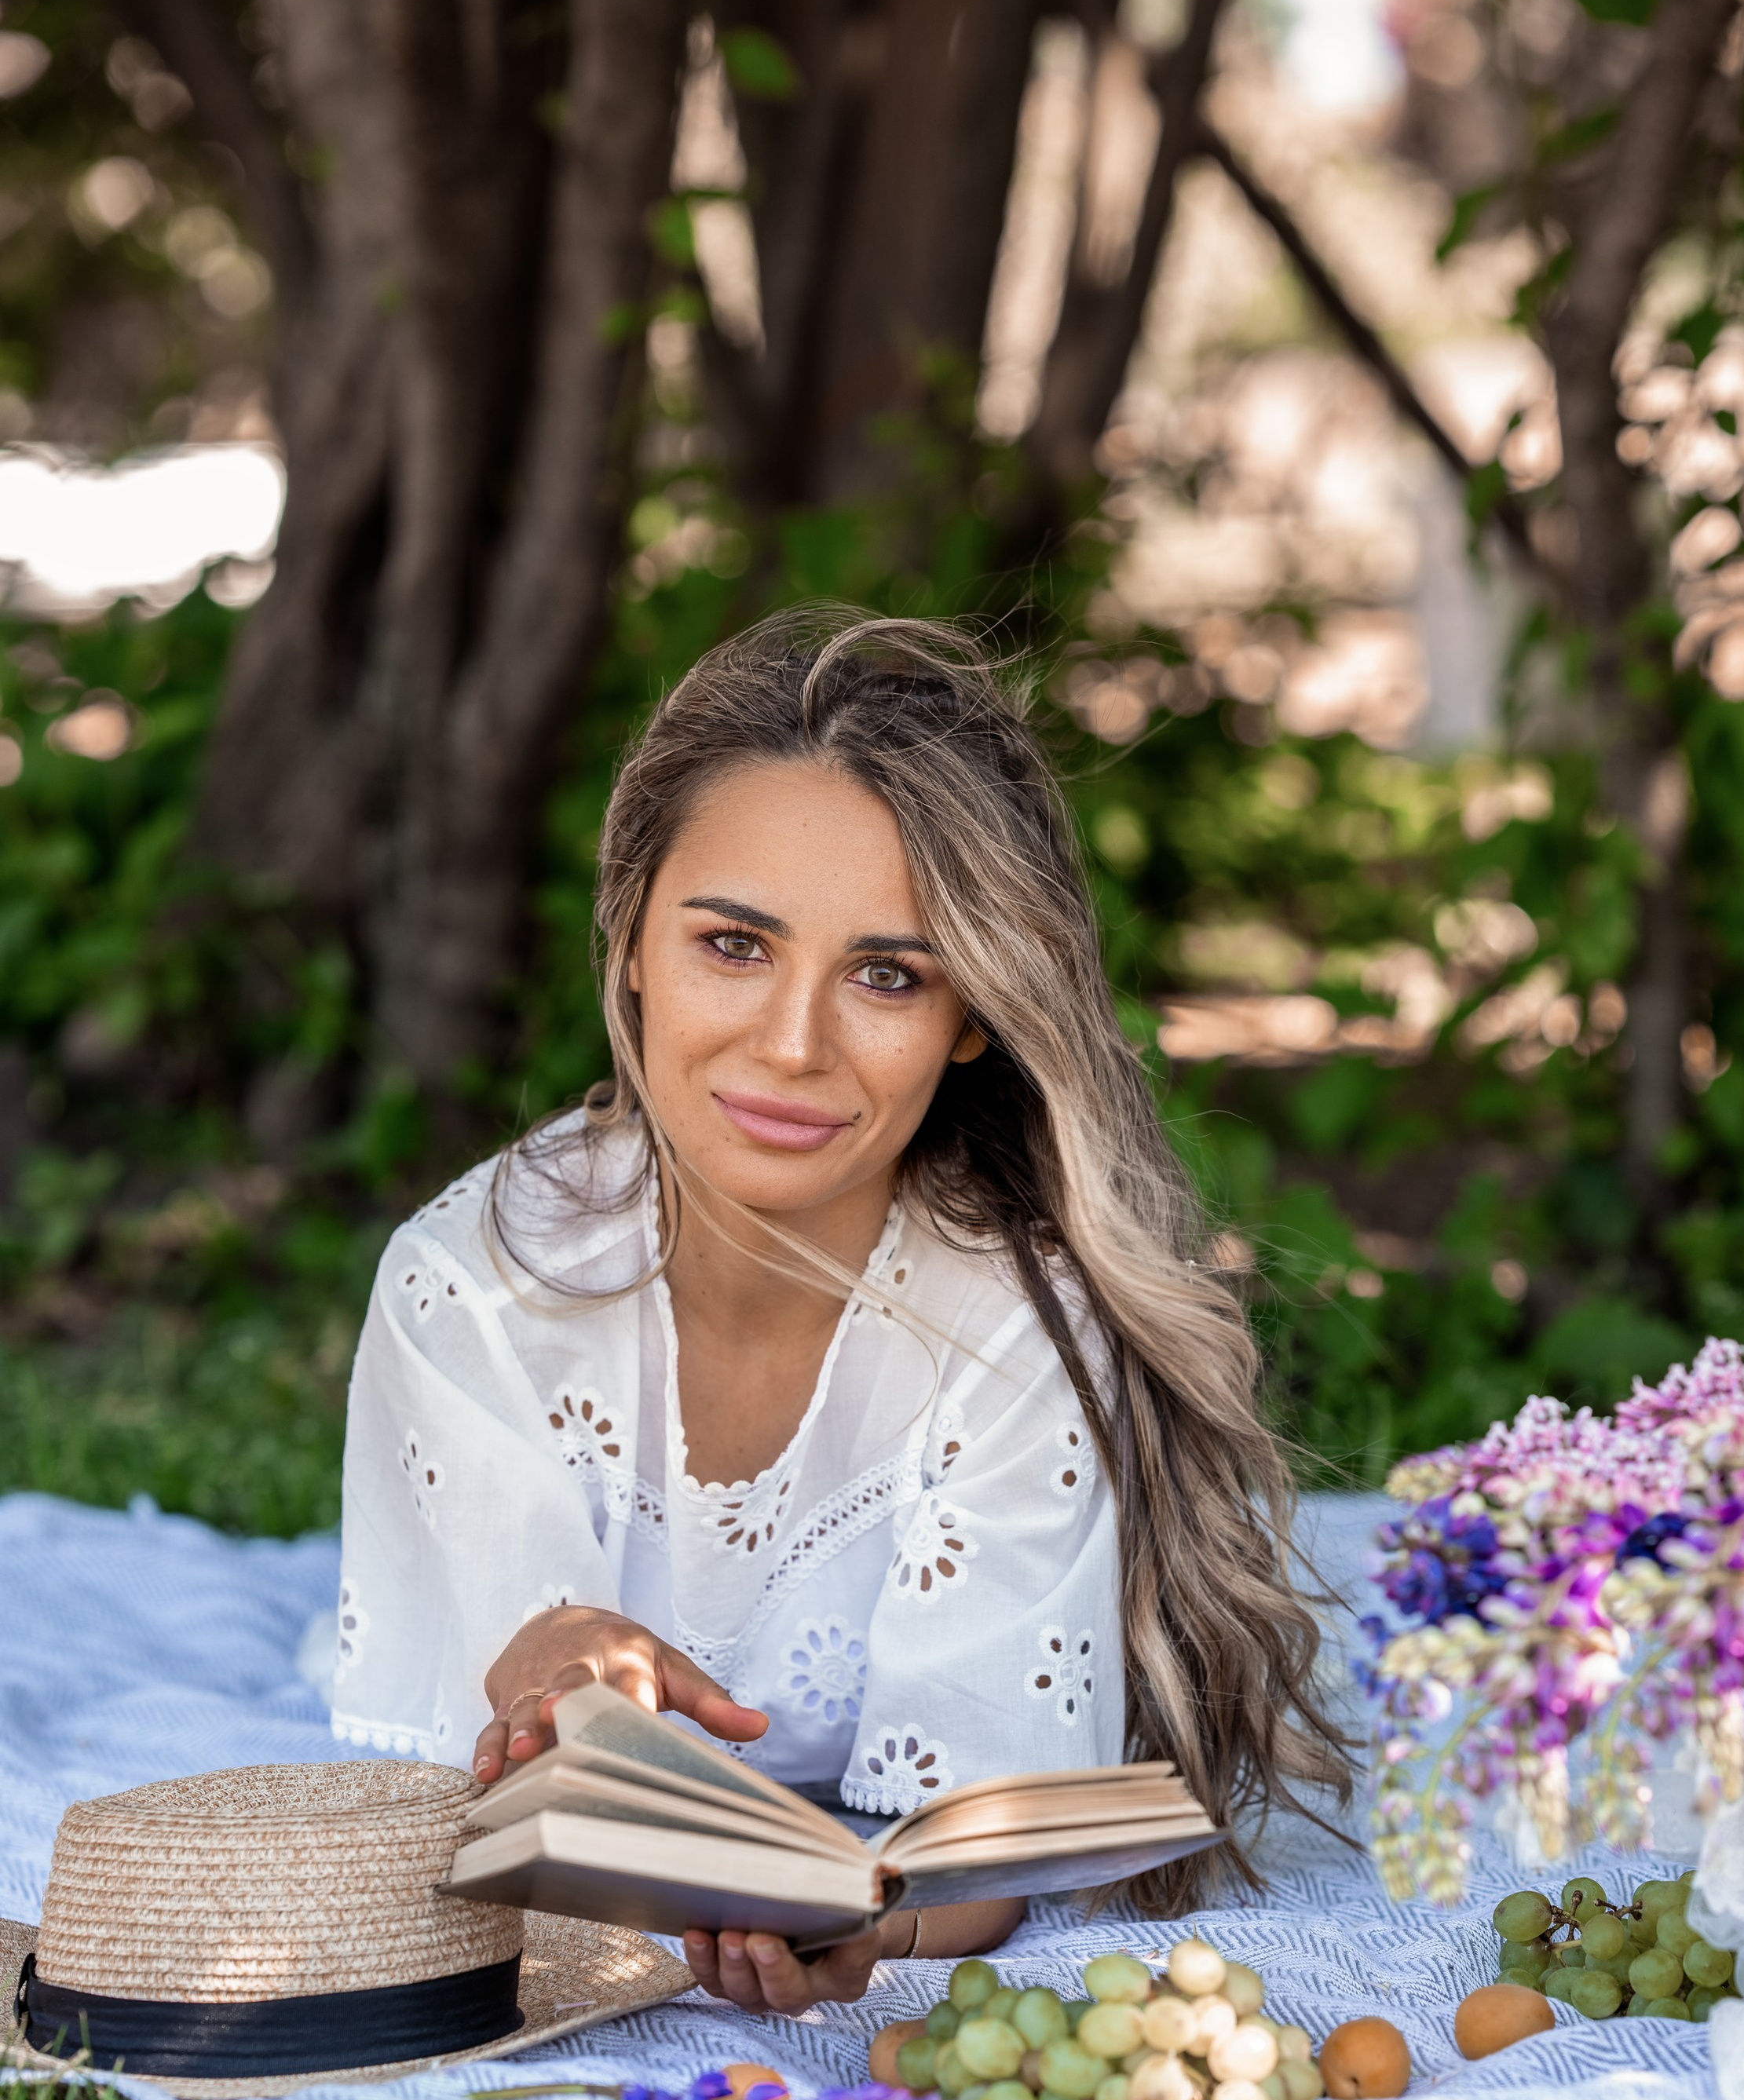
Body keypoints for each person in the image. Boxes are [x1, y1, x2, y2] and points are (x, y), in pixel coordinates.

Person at [332, 608, 1347, 2016]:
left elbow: (977, 1842)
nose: (794, 1044)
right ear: (631, 942)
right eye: (733, 944)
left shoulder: (1016, 1326)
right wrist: (549, 1661)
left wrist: (875, 1928)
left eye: (887, 975)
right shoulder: (473, 1289)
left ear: (973, 1013)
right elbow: (504, 1801)